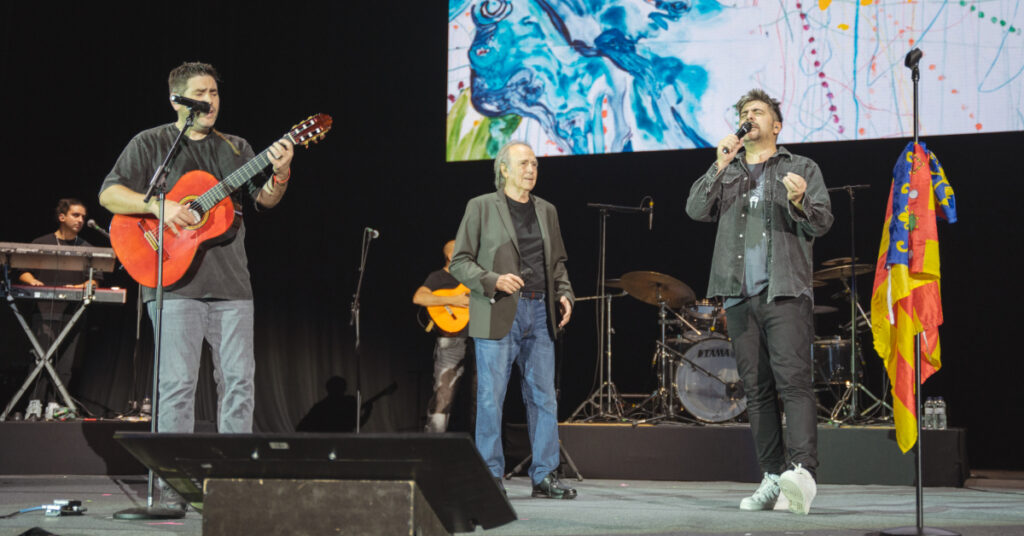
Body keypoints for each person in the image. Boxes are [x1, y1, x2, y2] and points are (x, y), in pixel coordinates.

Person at [98, 62, 295, 508]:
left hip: (232, 287)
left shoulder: (238, 147)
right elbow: (109, 194)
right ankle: (171, 488)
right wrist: (161, 205)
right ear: (178, 101)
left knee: (239, 384)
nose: (211, 100)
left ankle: (233, 483)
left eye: (216, 92)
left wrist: (280, 172)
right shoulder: (150, 144)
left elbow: (265, 202)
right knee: (176, 387)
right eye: (201, 93)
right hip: (172, 283)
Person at [685, 89, 833, 515]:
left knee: (794, 383)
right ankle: (772, 475)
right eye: (744, 113)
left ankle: (802, 473)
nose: (749, 118)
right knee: (757, 390)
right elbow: (695, 209)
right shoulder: (728, 171)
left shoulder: (801, 167)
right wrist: (719, 163)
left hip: (784, 291)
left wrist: (801, 200)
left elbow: (823, 221)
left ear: (776, 125)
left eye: (758, 112)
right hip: (737, 294)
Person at [449, 141, 577, 499]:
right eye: (523, 164)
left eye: (534, 164)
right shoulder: (481, 207)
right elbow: (460, 262)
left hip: (540, 311)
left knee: (543, 397)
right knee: (492, 397)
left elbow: (557, 264)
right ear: (503, 169)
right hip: (498, 309)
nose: (531, 169)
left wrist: (564, 293)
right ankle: (490, 477)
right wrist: (493, 280)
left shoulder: (547, 210)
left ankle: (545, 475)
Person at [17, 198, 98, 415]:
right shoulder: (42, 242)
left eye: (83, 216)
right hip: (43, 311)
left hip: (73, 311)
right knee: (40, 357)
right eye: (75, 215)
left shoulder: (86, 248)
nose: (81, 220)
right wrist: (32, 281)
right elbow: (22, 270)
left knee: (65, 362)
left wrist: (79, 286)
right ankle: (34, 402)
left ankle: (55, 403)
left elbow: (94, 280)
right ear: (62, 217)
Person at [412, 239, 474, 433]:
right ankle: (433, 448)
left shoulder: (475, 277)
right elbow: (419, 297)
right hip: (451, 341)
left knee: (481, 396)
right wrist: (454, 299)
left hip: (480, 340)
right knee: (443, 394)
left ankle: (479, 451)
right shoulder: (438, 277)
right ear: (451, 256)